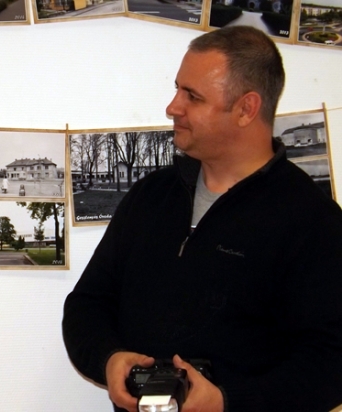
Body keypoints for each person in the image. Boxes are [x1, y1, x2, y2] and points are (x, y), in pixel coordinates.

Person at [62, 25, 342, 412]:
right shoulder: (150, 195)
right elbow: (87, 304)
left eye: (192, 96)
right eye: (178, 89)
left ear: (246, 109)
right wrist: (108, 358)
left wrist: (228, 402)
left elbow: (331, 361)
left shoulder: (313, 220)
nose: (173, 107)